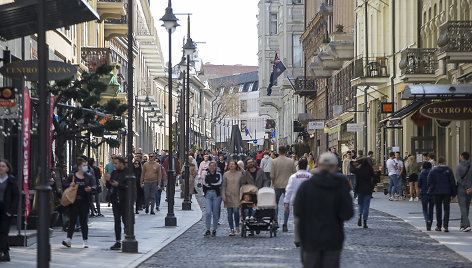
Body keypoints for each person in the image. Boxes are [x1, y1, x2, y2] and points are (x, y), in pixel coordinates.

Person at [294, 152, 353, 268]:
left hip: (310, 237)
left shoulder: (306, 186)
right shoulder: (340, 186)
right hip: (332, 238)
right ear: (335, 167)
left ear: (318, 165)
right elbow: (348, 214)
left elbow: (298, 211)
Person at [62, 159, 96, 248]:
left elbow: (95, 186)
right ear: (79, 167)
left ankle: (85, 240)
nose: (86, 167)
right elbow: (64, 185)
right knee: (72, 220)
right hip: (73, 201)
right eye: (84, 165)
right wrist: (70, 184)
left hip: (84, 201)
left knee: (83, 221)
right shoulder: (72, 176)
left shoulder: (89, 176)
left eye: (86, 165)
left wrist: (90, 189)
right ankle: (68, 239)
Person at [284, 158, 311, 247]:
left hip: (296, 202)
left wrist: (286, 202)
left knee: (297, 221)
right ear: (307, 166)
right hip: (308, 202)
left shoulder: (293, 177)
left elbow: (289, 190)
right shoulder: (310, 177)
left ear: (298, 166)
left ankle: (297, 239)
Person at [270, 146, 296, 232]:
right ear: (286, 152)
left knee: (275, 204)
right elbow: (294, 173)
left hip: (277, 185)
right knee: (287, 204)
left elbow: (272, 175)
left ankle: (276, 221)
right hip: (287, 185)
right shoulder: (291, 161)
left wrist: (273, 182)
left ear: (278, 151)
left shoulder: (274, 161)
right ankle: (285, 223)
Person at [427, 156, 457, 232]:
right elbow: (452, 182)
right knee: (447, 209)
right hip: (446, 192)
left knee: (438, 209)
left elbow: (429, 181)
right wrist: (453, 193)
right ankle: (446, 226)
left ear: (438, 162)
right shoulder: (448, 170)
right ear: (444, 162)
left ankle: (438, 226)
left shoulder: (433, 170)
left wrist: (431, 189)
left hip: (436, 192)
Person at [106, 157, 128, 250]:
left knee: (126, 221)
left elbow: (129, 187)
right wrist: (108, 180)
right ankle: (118, 241)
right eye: (114, 163)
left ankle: (128, 238)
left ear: (121, 164)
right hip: (115, 200)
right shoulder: (114, 173)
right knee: (117, 221)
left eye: (116, 163)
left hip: (125, 200)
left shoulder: (128, 173)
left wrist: (118, 185)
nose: (114, 165)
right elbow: (110, 185)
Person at [0, 159, 19, 262]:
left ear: (7, 168)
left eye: (3, 166)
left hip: (7, 209)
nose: (1, 168)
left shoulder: (11, 180)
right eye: (0, 166)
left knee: (3, 231)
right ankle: (6, 253)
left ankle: (2, 252)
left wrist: (11, 210)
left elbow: (16, 196)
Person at [350, 157, 376, 229]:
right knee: (366, 206)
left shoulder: (359, 170)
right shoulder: (370, 169)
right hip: (368, 189)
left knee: (360, 204)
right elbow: (374, 178)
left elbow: (353, 172)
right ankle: (365, 221)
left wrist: (352, 162)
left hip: (360, 189)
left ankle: (359, 214)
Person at [222, 160, 243, 236]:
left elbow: (242, 186)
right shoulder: (225, 174)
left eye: (233, 164)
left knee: (236, 211)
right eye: (230, 164)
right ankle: (231, 229)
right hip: (228, 196)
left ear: (236, 165)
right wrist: (223, 195)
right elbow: (223, 186)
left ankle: (237, 226)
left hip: (237, 196)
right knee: (229, 213)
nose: (231, 165)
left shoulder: (240, 174)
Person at [203, 162, 223, 237]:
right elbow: (204, 185)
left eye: (214, 166)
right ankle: (208, 229)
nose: (212, 167)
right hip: (208, 194)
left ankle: (214, 229)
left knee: (215, 213)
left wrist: (210, 184)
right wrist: (213, 185)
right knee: (208, 212)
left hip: (216, 195)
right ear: (209, 167)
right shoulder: (206, 175)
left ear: (216, 167)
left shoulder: (219, 175)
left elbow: (219, 183)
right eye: (211, 166)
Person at [456, 152, 472, 232]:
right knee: (466, 207)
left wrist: (466, 188)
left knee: (463, 207)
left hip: (461, 189)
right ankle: (462, 224)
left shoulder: (458, 166)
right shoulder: (471, 166)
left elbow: (459, 179)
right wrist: (470, 188)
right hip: (470, 190)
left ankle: (467, 225)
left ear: (462, 157)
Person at [418, 161, 434, 231]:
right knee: (431, 209)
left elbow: (419, 184)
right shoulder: (433, 172)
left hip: (424, 192)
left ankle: (427, 220)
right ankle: (430, 223)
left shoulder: (422, 173)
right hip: (432, 193)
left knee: (425, 209)